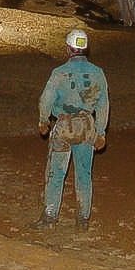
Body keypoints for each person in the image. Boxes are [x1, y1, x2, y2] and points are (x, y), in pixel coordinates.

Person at [35, 28, 109, 229]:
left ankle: (50, 217)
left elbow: (46, 100)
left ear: (68, 48)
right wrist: (100, 132)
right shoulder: (98, 73)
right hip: (87, 128)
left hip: (64, 127)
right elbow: (103, 104)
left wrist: (43, 121)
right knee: (84, 173)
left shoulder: (59, 73)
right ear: (86, 49)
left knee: (56, 173)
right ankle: (83, 220)